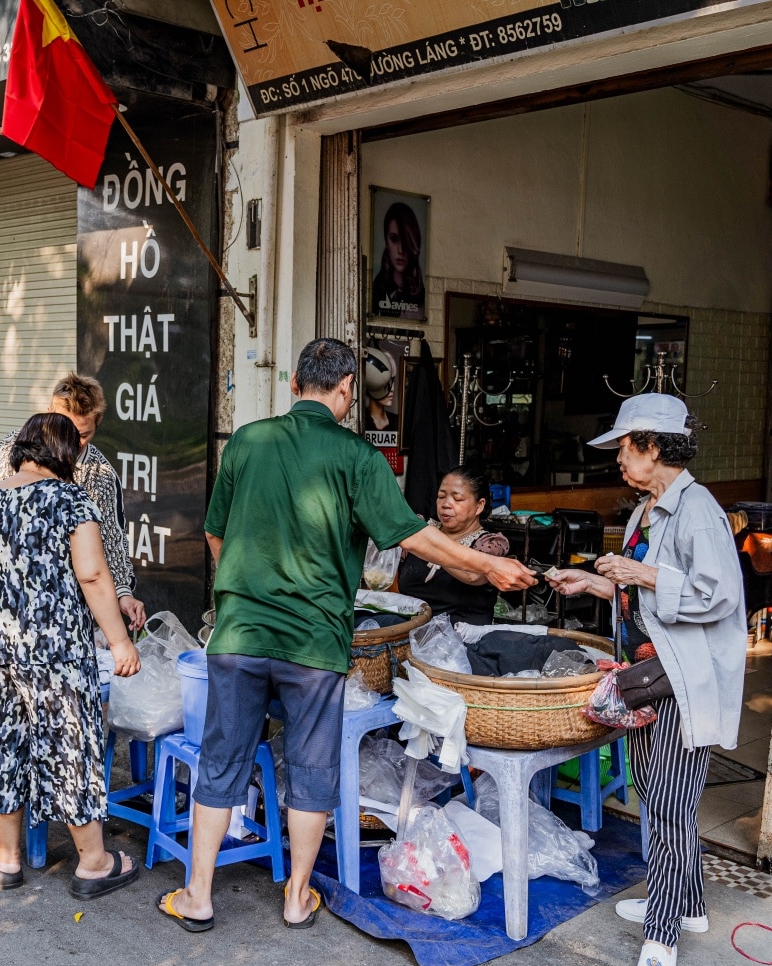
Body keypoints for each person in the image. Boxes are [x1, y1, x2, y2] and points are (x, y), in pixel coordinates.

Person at [158, 338, 537, 932]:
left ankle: (199, 896)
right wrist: (489, 566)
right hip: (314, 644)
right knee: (312, 768)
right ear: (345, 392)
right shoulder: (358, 457)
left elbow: (215, 536)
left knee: (222, 759)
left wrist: (242, 590)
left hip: (239, 634)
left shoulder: (248, 442)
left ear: (293, 387)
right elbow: (413, 535)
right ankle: (297, 897)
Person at [544, 393, 744, 966]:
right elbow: (637, 594)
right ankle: (690, 902)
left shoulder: (698, 510)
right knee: (656, 794)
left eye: (625, 449)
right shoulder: (645, 511)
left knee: (671, 808)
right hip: (646, 675)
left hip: (682, 681)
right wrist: (593, 583)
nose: (619, 462)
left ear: (653, 447)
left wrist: (646, 573)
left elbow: (721, 596)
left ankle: (663, 934)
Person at [0, 412, 143, 895]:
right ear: (66, 456)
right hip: (57, 656)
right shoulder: (69, 500)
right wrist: (121, 641)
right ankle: (94, 864)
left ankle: (5, 857)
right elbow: (94, 576)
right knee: (70, 753)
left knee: (1, 750)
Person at [0, 373, 145, 631]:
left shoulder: (102, 474)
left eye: (83, 435)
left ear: (98, 423)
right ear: (49, 413)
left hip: (67, 609)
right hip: (2, 600)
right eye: (66, 430)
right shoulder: (14, 448)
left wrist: (123, 592)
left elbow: (111, 538)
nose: (72, 443)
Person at [396, 467, 509, 627]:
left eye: (457, 499)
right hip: (411, 633)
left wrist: (425, 545)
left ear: (479, 506)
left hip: (462, 642)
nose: (446, 504)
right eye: (441, 497)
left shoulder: (491, 543)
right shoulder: (421, 529)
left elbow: (473, 575)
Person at [371, 201, 425, 320]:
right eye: (394, 239)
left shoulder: (421, 295)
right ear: (386, 241)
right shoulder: (376, 290)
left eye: (406, 241)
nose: (401, 250)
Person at [362, 346, 399, 436]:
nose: (392, 389)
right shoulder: (361, 421)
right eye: (386, 383)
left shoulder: (396, 421)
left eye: (393, 381)